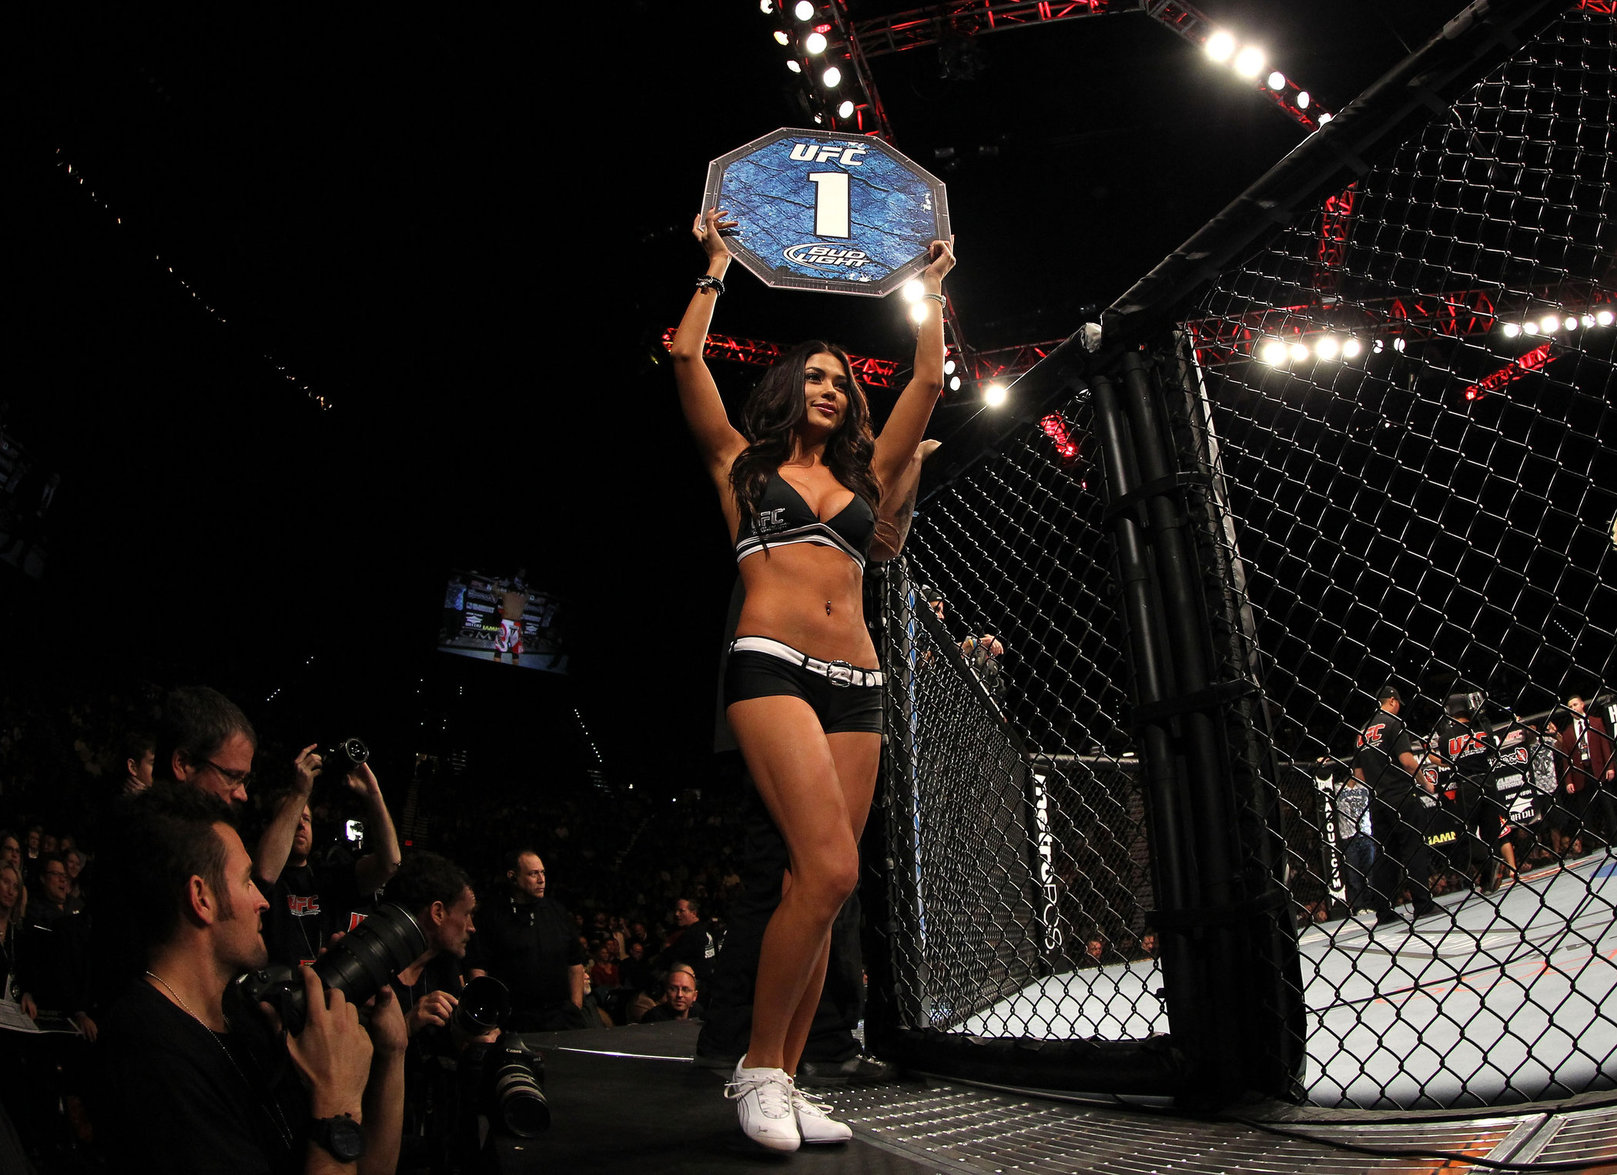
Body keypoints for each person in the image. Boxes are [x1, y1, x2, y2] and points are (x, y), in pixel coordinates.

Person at [672, 205, 954, 1151]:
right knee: (826, 865)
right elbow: (683, 361)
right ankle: (757, 1067)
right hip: (771, 667)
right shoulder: (741, 464)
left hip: (857, 681)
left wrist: (929, 289)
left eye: (842, 381)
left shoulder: (868, 474)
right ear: (790, 386)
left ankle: (786, 1078)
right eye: (819, 377)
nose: (833, 388)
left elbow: (925, 374)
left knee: (824, 884)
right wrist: (715, 266)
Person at [93, 785, 406, 1173]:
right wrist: (337, 1103)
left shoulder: (245, 1018)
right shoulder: (149, 1052)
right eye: (246, 881)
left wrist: (392, 1053)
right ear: (201, 898)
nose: (262, 899)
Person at [256, 760, 403, 968]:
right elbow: (264, 874)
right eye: (293, 816)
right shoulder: (255, 876)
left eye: (306, 819)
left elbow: (390, 864)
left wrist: (373, 796)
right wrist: (299, 793)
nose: (300, 824)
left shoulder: (326, 877)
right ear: (267, 825)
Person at [466, 850, 588, 1031]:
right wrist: (489, 1016)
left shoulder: (557, 912)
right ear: (513, 876)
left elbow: (575, 963)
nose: (541, 879)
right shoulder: (492, 915)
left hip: (560, 1017)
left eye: (543, 872)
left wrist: (575, 1007)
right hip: (514, 1019)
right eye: (533, 873)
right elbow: (478, 966)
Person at [1356, 686, 1439, 926]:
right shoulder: (1393, 723)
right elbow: (1407, 761)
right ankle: (1423, 904)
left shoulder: (1361, 732)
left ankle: (1384, 910)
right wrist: (1425, 783)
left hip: (1377, 801)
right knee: (1413, 847)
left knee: (1385, 856)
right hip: (1401, 796)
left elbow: (1359, 775)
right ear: (1392, 701)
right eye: (1398, 702)